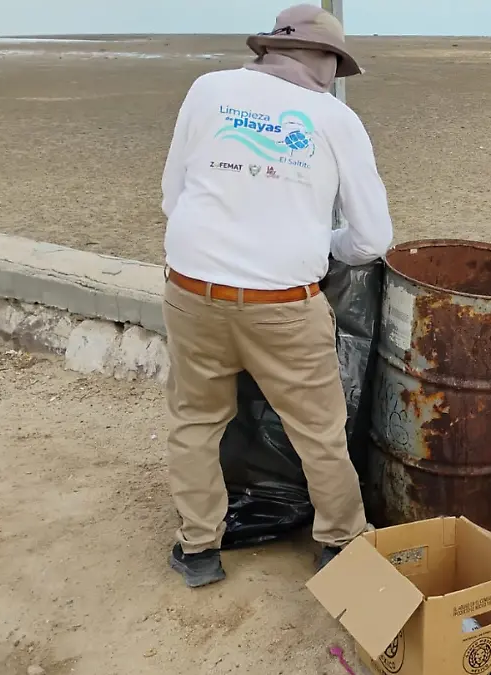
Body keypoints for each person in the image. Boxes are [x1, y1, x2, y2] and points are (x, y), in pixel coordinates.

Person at [159, 4, 393, 588]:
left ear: (269, 49)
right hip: (283, 304)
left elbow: (173, 196)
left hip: (191, 291)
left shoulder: (207, 89)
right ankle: (341, 542)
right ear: (328, 62)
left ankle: (199, 548)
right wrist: (321, 242)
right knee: (318, 429)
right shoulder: (335, 119)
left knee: (195, 420)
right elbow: (371, 240)